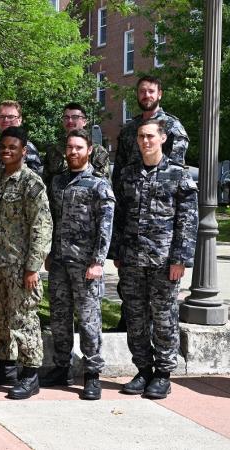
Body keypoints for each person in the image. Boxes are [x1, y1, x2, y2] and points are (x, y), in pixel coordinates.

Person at [110, 119, 197, 399]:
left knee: (164, 318)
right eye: (140, 137)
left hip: (163, 260)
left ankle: (163, 373)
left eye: (150, 136)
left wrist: (180, 258)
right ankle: (143, 369)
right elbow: (119, 217)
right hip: (132, 259)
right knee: (135, 317)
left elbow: (187, 219)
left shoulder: (178, 174)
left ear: (162, 139)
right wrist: (118, 252)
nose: (145, 141)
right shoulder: (128, 174)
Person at [0, 126, 51, 400]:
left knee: (24, 318)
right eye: (3, 147)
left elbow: (42, 227)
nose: (7, 151)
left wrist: (32, 267)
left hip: (20, 266)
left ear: (23, 151)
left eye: (12, 148)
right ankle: (6, 367)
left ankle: (30, 374)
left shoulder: (31, 183)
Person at [111, 76, 189, 332]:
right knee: (132, 294)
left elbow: (176, 173)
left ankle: (162, 358)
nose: (146, 95)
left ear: (160, 94)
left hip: (160, 215)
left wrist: (180, 257)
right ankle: (128, 326)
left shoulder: (173, 127)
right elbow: (119, 171)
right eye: (142, 91)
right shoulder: (129, 129)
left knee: (162, 308)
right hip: (133, 208)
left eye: (151, 91)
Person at [41, 129, 114, 401]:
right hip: (59, 261)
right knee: (59, 319)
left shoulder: (98, 184)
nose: (73, 152)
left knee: (88, 320)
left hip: (85, 265)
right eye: (69, 147)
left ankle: (93, 374)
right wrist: (49, 253)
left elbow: (106, 226)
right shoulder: (58, 182)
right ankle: (62, 367)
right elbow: (52, 221)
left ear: (89, 150)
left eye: (78, 147)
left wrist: (98, 261)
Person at [0, 100, 43, 234]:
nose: (6, 120)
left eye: (11, 117)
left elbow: (35, 193)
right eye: (2, 117)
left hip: (18, 227)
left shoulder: (28, 149)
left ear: (20, 120)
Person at [43, 102, 110, 189]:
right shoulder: (53, 151)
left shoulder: (97, 151)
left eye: (75, 117)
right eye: (66, 117)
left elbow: (103, 185)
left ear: (84, 121)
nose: (70, 121)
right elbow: (46, 184)